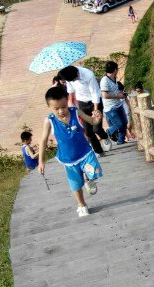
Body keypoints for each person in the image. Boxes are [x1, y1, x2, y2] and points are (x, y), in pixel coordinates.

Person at [38, 86, 103, 217]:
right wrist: (41, 161)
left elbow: (91, 121)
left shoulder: (75, 111)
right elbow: (43, 141)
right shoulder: (49, 120)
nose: (61, 111)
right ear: (49, 106)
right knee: (75, 184)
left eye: (63, 106)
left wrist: (97, 119)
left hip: (85, 152)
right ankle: (82, 205)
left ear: (67, 101)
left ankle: (89, 179)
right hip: (68, 159)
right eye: (56, 108)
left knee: (95, 171)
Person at [58, 65, 111, 154]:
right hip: (82, 103)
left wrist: (96, 110)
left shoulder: (88, 74)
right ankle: (99, 152)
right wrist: (70, 104)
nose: (74, 81)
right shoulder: (69, 77)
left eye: (74, 80)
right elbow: (70, 91)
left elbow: (94, 93)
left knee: (96, 128)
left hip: (95, 102)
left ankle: (105, 137)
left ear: (77, 74)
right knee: (88, 131)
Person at [100, 61, 129, 144]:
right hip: (110, 107)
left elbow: (115, 91)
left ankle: (121, 140)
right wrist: (119, 96)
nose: (118, 70)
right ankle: (109, 132)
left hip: (118, 104)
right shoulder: (104, 80)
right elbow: (105, 95)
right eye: (117, 69)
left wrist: (121, 94)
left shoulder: (114, 78)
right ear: (114, 70)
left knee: (124, 122)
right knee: (118, 124)